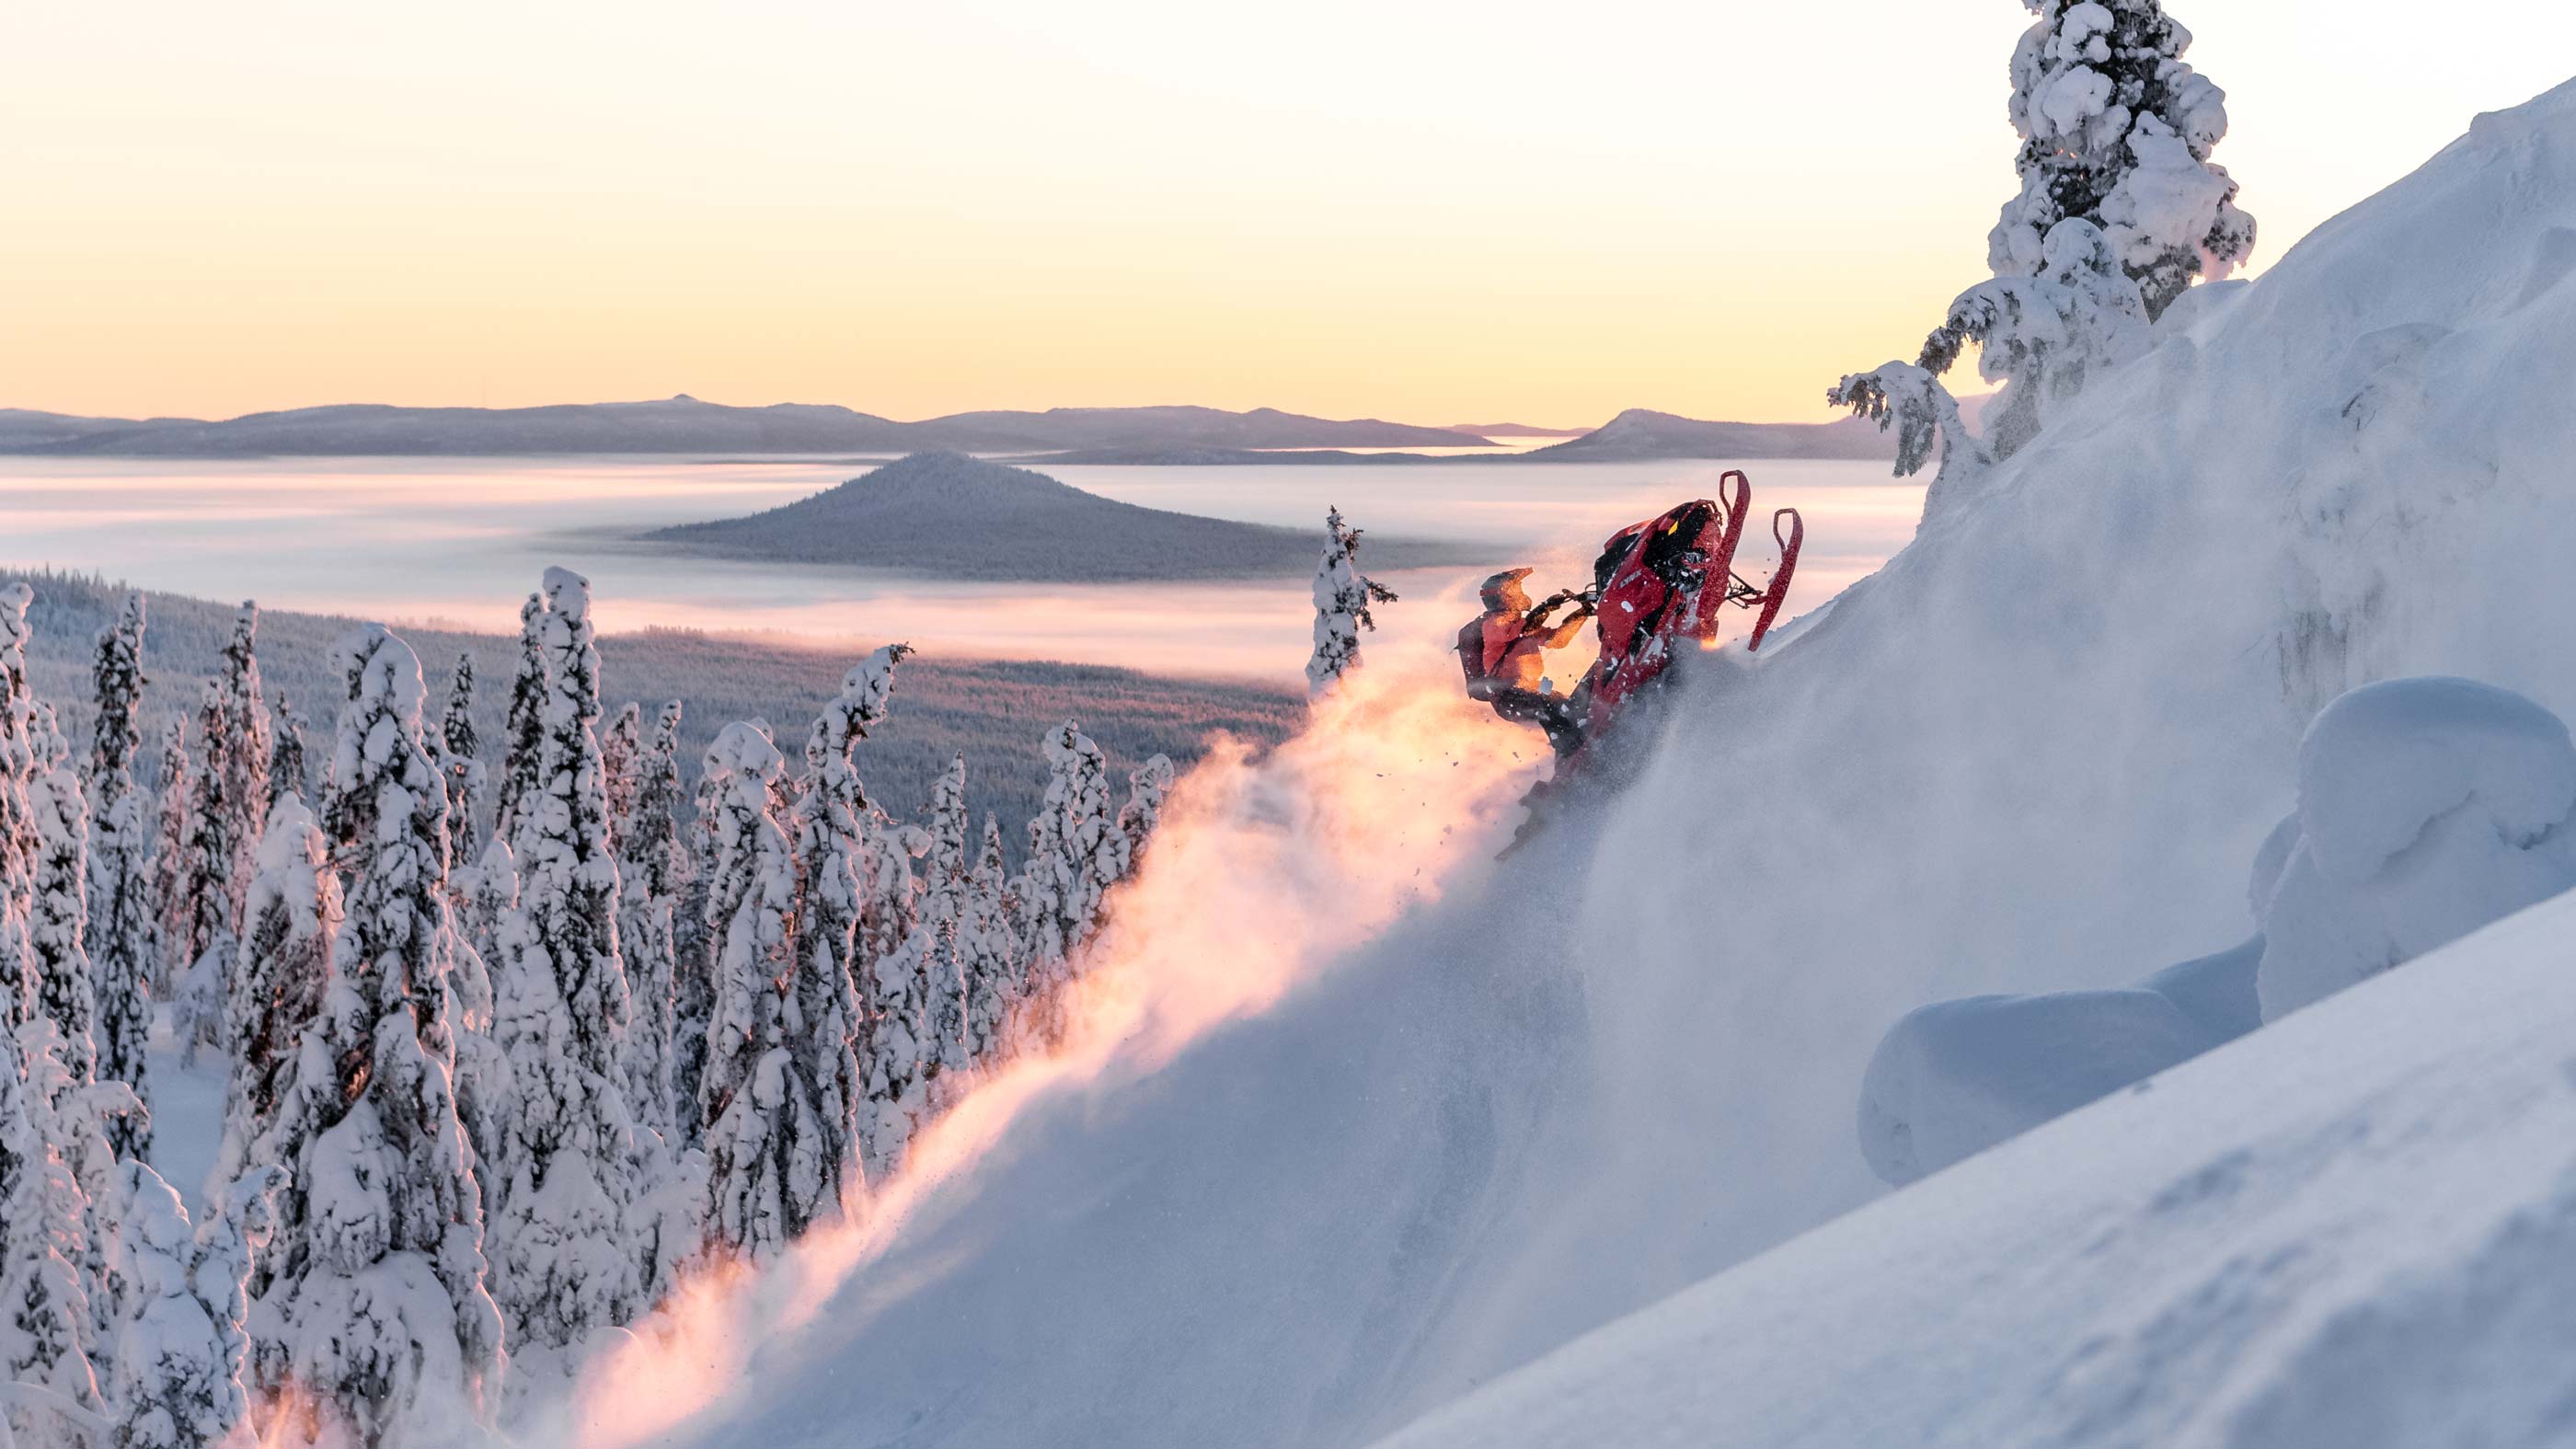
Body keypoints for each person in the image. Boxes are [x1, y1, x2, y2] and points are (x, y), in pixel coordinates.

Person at [1457, 568, 1591, 757]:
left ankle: (1574, 746)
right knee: (1549, 706)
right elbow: (1523, 631)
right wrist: (1545, 608)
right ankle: (1572, 751)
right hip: (1507, 697)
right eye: (1517, 589)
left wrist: (1581, 614)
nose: (1522, 594)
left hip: (1529, 689)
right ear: (1505, 595)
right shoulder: (1494, 624)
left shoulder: (1518, 623)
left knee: (1566, 705)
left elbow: (1557, 640)